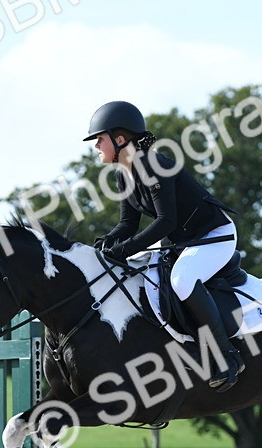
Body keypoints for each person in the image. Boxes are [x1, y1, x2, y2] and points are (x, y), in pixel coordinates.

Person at [84, 100, 244, 391]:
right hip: (180, 241)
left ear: (120, 140)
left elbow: (165, 221)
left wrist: (124, 249)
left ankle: (226, 356)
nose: (96, 146)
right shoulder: (124, 173)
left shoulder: (154, 165)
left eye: (100, 139)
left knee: (182, 281)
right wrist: (107, 243)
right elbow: (127, 225)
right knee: (142, 276)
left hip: (213, 234)